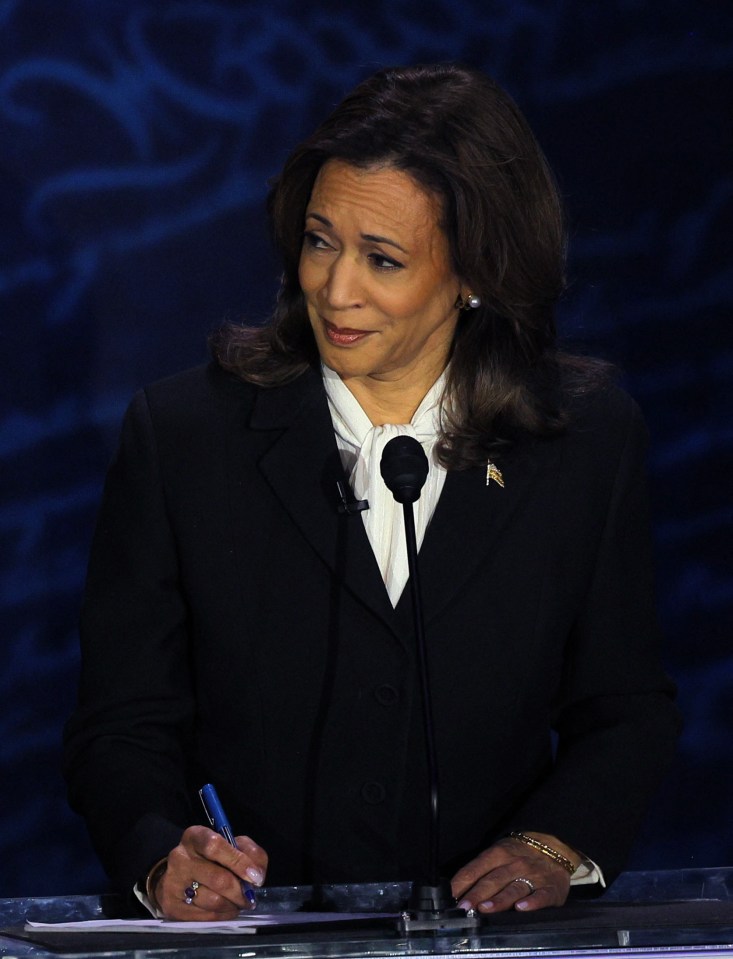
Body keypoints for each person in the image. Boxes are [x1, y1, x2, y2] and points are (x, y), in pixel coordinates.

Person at [63, 63, 680, 922]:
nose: (335, 289)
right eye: (320, 241)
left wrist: (551, 843)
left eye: (381, 259)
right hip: (251, 940)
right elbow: (121, 723)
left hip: (486, 945)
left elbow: (624, 708)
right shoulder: (184, 435)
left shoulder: (580, 440)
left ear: (474, 271)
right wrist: (161, 850)